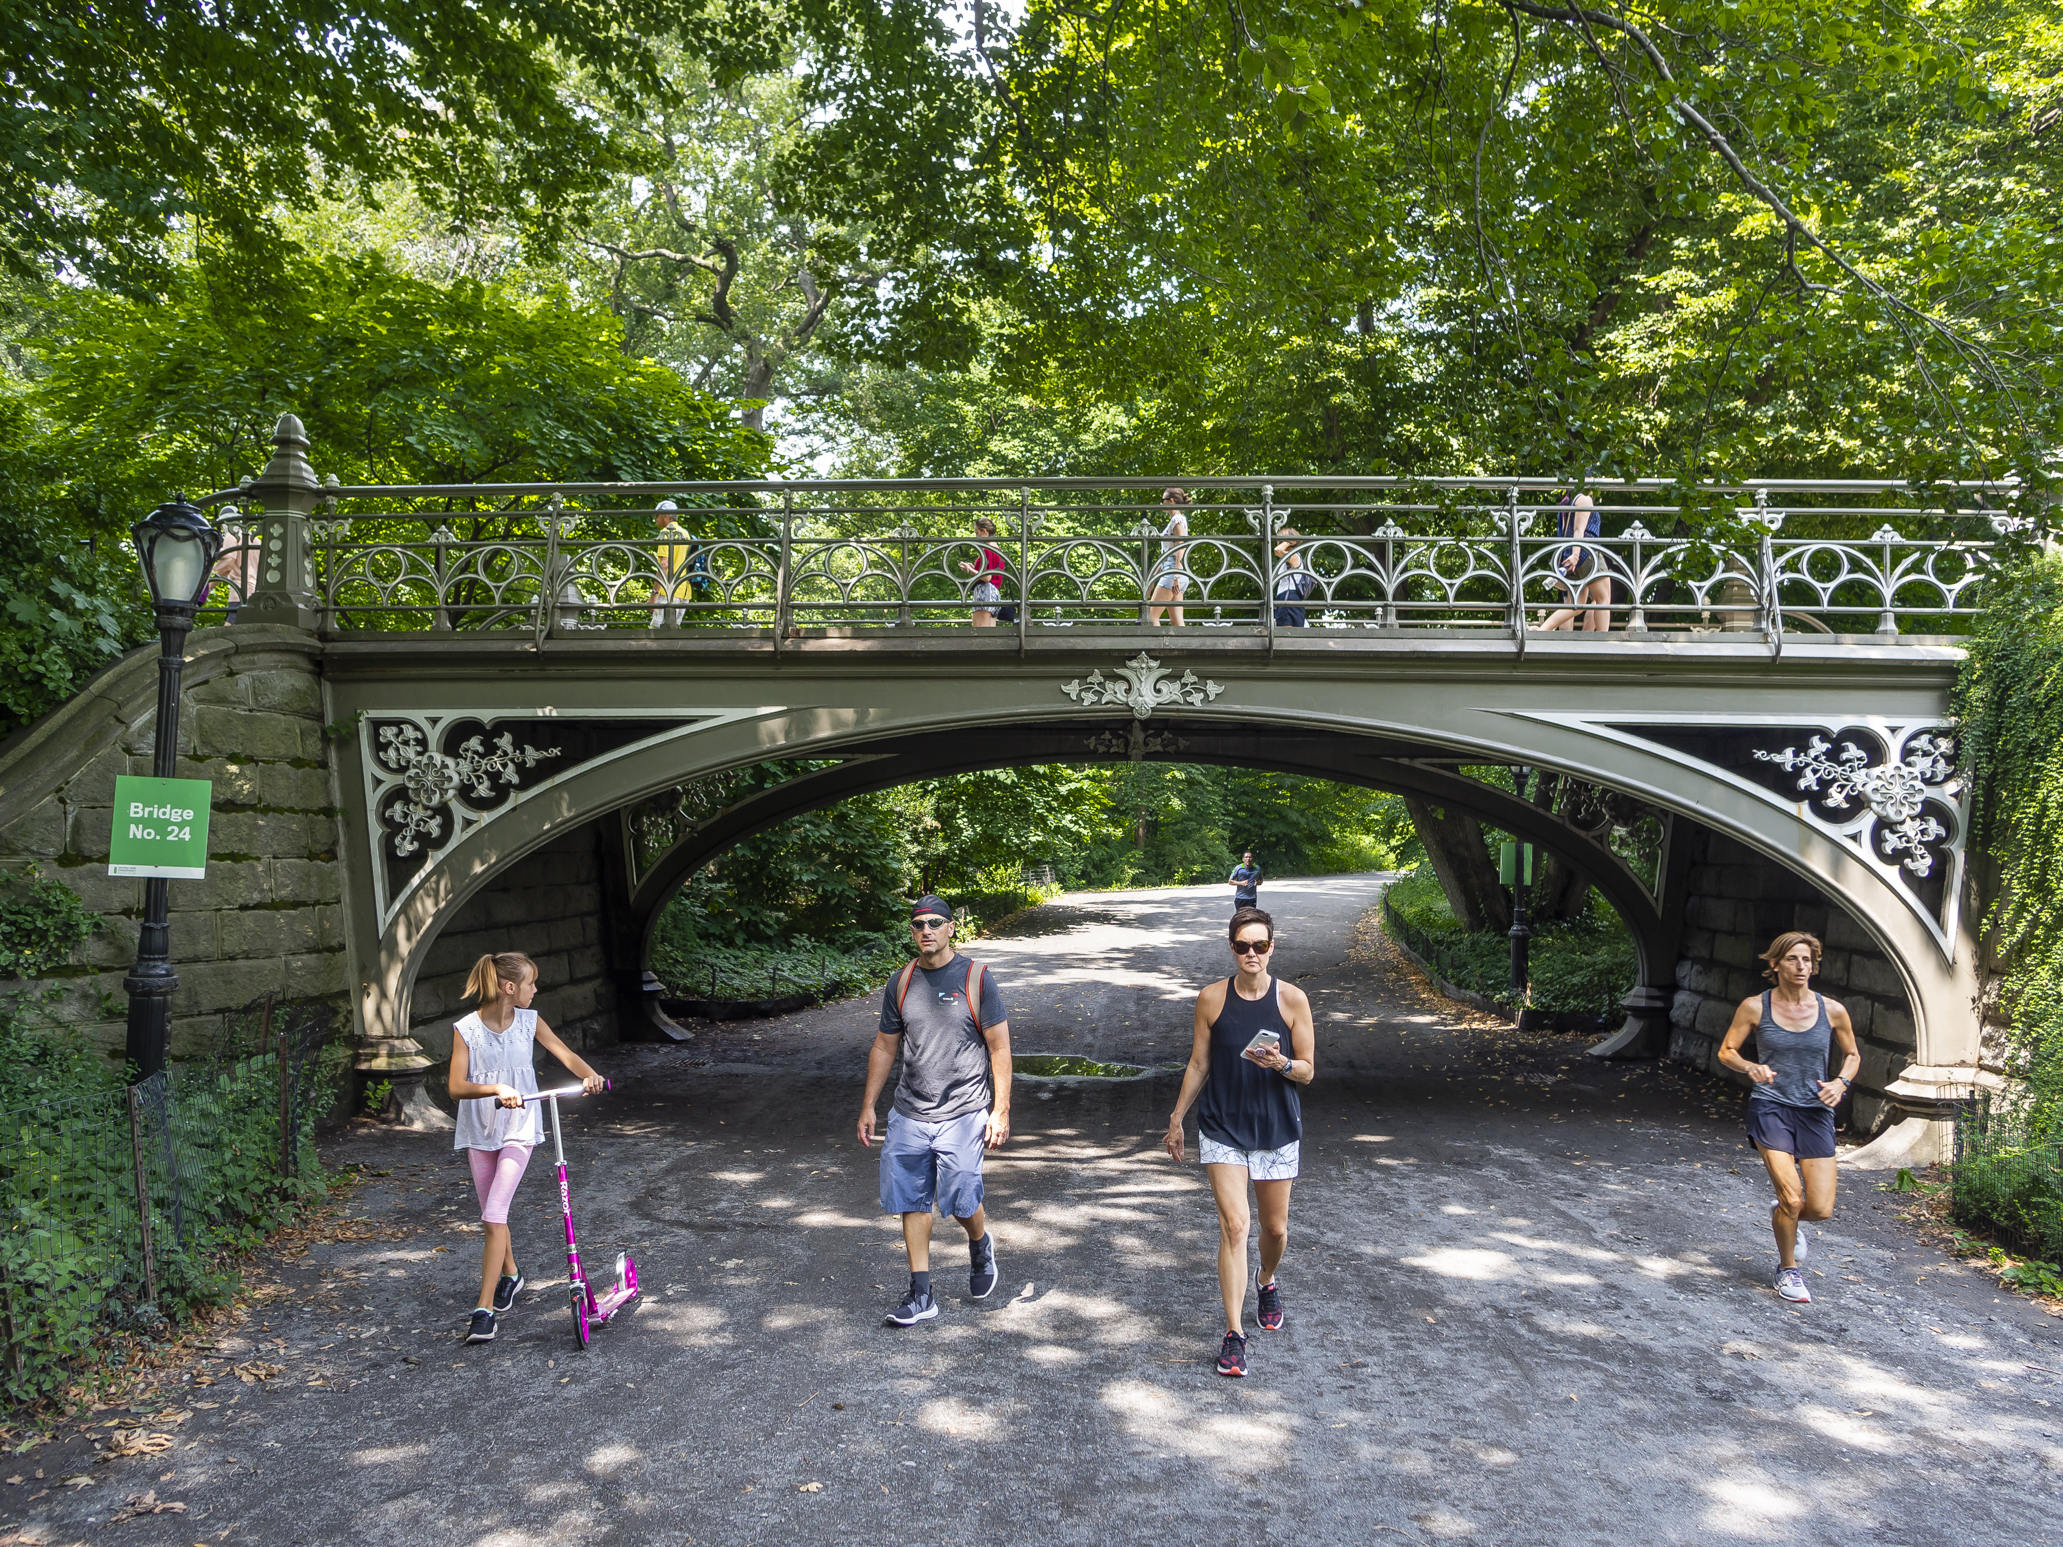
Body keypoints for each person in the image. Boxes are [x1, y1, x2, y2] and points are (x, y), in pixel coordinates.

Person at [1164, 907, 1315, 1377]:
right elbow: (1198, 1064)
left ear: (1272, 947)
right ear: (1231, 947)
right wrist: (1176, 1118)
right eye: (1244, 946)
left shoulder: (1292, 1000)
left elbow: (1308, 1071)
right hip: (1222, 1124)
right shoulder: (1211, 999)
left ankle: (1266, 1279)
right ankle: (1234, 1335)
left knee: (1275, 1231)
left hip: (1275, 1127)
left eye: (1261, 946)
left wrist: (1282, 1065)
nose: (1253, 954)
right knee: (1235, 1227)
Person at [858, 896, 1013, 1326]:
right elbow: (885, 1045)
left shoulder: (977, 978)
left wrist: (1000, 1110)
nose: (925, 930)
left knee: (962, 1193)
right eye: (918, 925)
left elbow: (999, 1047)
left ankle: (980, 1244)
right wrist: (869, 1105)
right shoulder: (901, 982)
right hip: (910, 1110)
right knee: (911, 1198)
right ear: (912, 932)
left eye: (934, 923)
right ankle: (921, 1293)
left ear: (950, 929)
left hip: (965, 1109)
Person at [447, 950, 606, 1344]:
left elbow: (565, 1054)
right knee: (492, 1216)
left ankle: (483, 1311)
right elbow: (455, 1087)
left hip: (519, 1128)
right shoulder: (466, 1029)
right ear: (510, 987)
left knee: (493, 1213)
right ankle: (512, 1275)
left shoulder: (530, 1022)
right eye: (531, 983)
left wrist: (590, 1076)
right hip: (480, 1132)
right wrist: (496, 1087)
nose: (536, 989)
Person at [1716, 932, 1860, 1305]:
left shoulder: (1833, 1011)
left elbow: (1853, 1055)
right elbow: (1727, 1051)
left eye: (1808, 960)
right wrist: (1751, 1067)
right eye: (1793, 959)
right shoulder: (1755, 1007)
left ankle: (1784, 1214)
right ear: (1775, 964)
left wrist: (1840, 1083)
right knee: (1794, 1198)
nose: (1802, 966)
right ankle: (1787, 1269)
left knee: (1820, 1209)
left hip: (1815, 1112)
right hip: (1771, 1107)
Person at [1540, 488, 1610, 632]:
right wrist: (1576, 555)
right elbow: (1579, 530)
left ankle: (1542, 630)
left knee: (1577, 605)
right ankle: (1604, 641)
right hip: (1587, 552)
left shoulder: (1573, 501)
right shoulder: (1584, 499)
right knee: (1603, 599)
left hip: (1573, 555)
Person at [1147, 488, 1192, 626]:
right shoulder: (1179, 520)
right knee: (1177, 621)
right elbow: (1166, 554)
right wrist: (1152, 580)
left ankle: (1156, 648)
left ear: (1171, 501)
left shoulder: (1176, 520)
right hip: (1175, 571)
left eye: (1163, 500)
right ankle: (1185, 648)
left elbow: (1181, 546)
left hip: (1173, 572)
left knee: (1151, 617)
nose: (1161, 504)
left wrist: (1176, 576)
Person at [958, 518, 1008, 627]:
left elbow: (987, 577)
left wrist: (969, 570)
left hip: (984, 593)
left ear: (984, 531)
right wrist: (973, 568)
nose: (976, 537)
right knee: (990, 635)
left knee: (979, 633)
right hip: (995, 594)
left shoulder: (987, 550)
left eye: (977, 533)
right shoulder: (998, 550)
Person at [653, 499, 692, 627]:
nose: (655, 518)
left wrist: (654, 594)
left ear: (666, 515)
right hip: (684, 591)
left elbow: (664, 565)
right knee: (673, 636)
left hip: (667, 591)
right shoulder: (685, 533)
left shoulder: (666, 533)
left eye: (657, 515)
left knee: (655, 635)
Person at [1272, 528, 1317, 627]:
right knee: (1291, 638)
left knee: (1287, 638)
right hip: (1288, 600)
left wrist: (1288, 541)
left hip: (1288, 601)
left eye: (1279, 538)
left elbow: (1278, 550)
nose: (1277, 541)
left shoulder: (1294, 556)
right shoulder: (1292, 556)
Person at [1228, 850, 1261, 915]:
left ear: (1253, 859)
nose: (1248, 859)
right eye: (1246, 857)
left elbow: (1261, 880)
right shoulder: (1238, 868)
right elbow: (1230, 881)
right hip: (1240, 898)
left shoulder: (1257, 868)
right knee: (1241, 918)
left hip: (1252, 898)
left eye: (1250, 857)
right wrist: (1241, 883)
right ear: (1243, 859)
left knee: (1251, 917)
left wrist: (1258, 882)